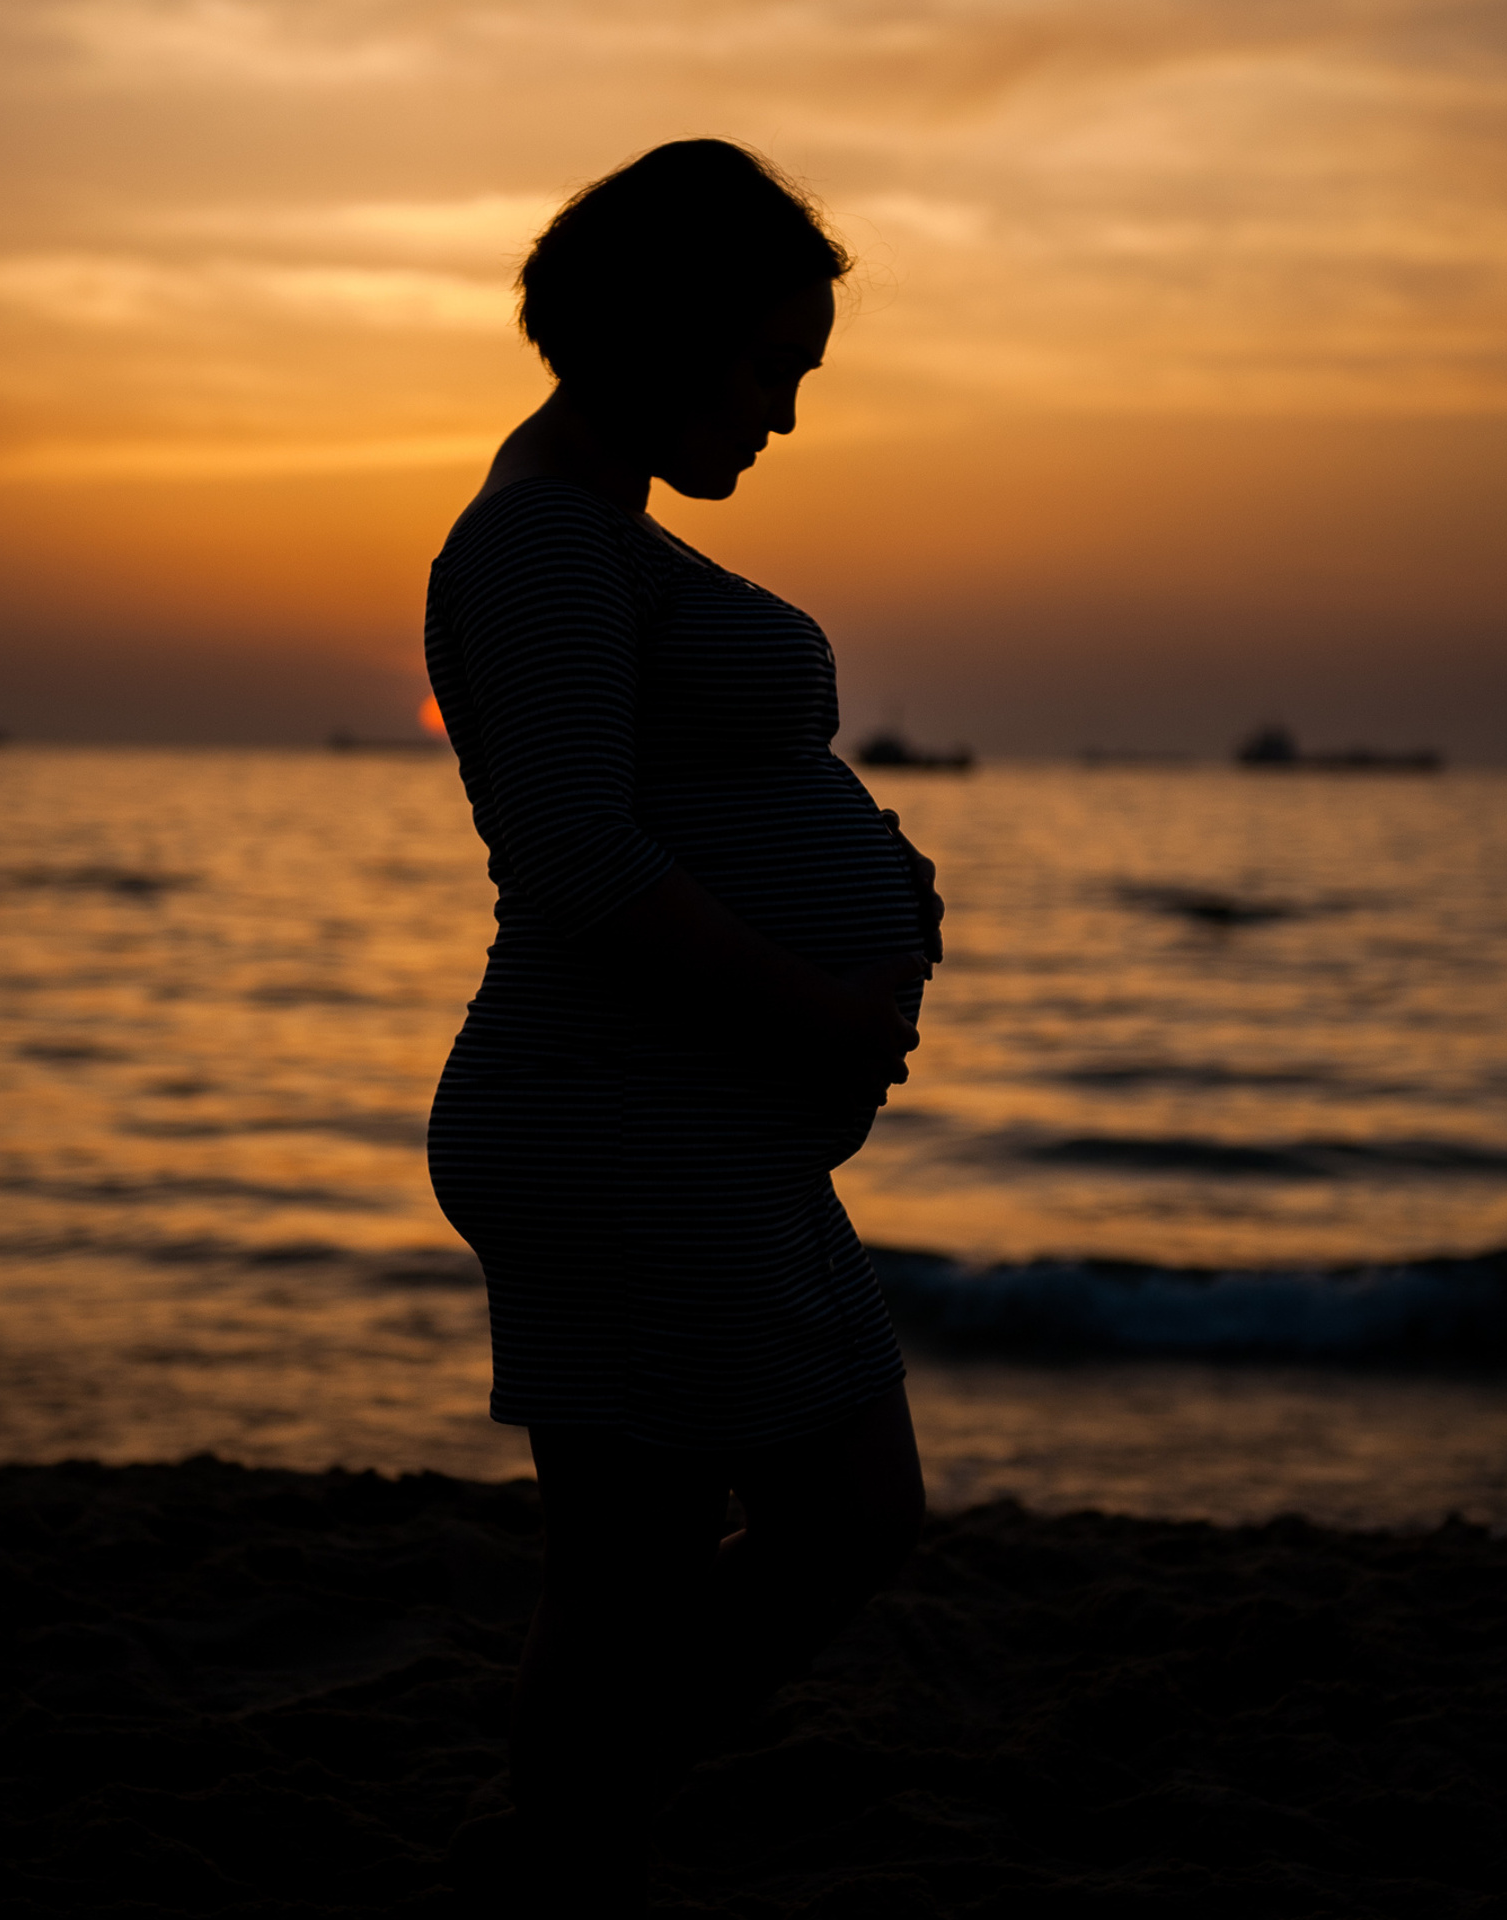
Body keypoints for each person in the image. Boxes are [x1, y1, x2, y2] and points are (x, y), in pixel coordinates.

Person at [424, 139, 944, 1916]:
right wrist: (814, 1008)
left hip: (650, 1117)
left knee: (633, 1555)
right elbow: (572, 849)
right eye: (766, 365)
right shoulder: (549, 549)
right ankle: (570, 1840)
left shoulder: (588, 537)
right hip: (623, 1118)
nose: (782, 417)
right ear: (661, 328)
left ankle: (568, 1850)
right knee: (844, 1518)